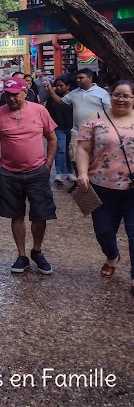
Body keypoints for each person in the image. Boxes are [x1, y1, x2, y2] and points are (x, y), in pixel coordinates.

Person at [0, 77, 57, 275]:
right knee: (16, 215)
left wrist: (48, 164)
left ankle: (37, 251)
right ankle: (21, 255)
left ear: (25, 92)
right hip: (10, 174)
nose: (11, 98)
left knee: (40, 215)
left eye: (15, 94)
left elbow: (52, 137)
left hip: (37, 172)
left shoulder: (39, 111)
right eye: (8, 94)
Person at [75, 80, 134, 294]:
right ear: (110, 95)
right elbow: (83, 149)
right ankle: (112, 256)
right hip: (101, 186)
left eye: (126, 96)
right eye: (117, 94)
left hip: (132, 188)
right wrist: (82, 173)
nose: (121, 99)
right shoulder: (94, 119)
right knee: (104, 231)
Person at [44, 68, 111, 170]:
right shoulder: (74, 93)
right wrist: (50, 90)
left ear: (90, 78)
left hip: (97, 131)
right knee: (75, 157)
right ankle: (79, 180)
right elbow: (61, 102)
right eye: (77, 78)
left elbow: (109, 111)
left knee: (95, 158)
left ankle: (91, 182)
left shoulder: (102, 93)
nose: (78, 80)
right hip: (77, 131)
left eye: (81, 77)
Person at [45, 74, 76, 184]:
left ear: (68, 86)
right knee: (61, 149)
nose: (58, 88)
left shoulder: (74, 96)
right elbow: (48, 111)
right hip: (58, 127)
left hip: (71, 126)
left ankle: (70, 172)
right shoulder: (52, 98)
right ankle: (60, 172)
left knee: (70, 149)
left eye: (61, 86)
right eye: (57, 86)